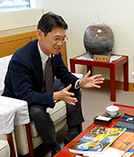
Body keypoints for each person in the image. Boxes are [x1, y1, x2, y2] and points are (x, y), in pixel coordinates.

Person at [2, 12, 105, 156]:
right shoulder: (21, 59)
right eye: (56, 38)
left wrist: (79, 82)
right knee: (38, 112)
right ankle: (54, 145)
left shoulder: (54, 51)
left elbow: (63, 73)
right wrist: (55, 96)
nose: (60, 43)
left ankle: (72, 131)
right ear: (40, 34)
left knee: (73, 88)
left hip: (43, 85)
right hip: (22, 97)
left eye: (63, 39)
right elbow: (25, 94)